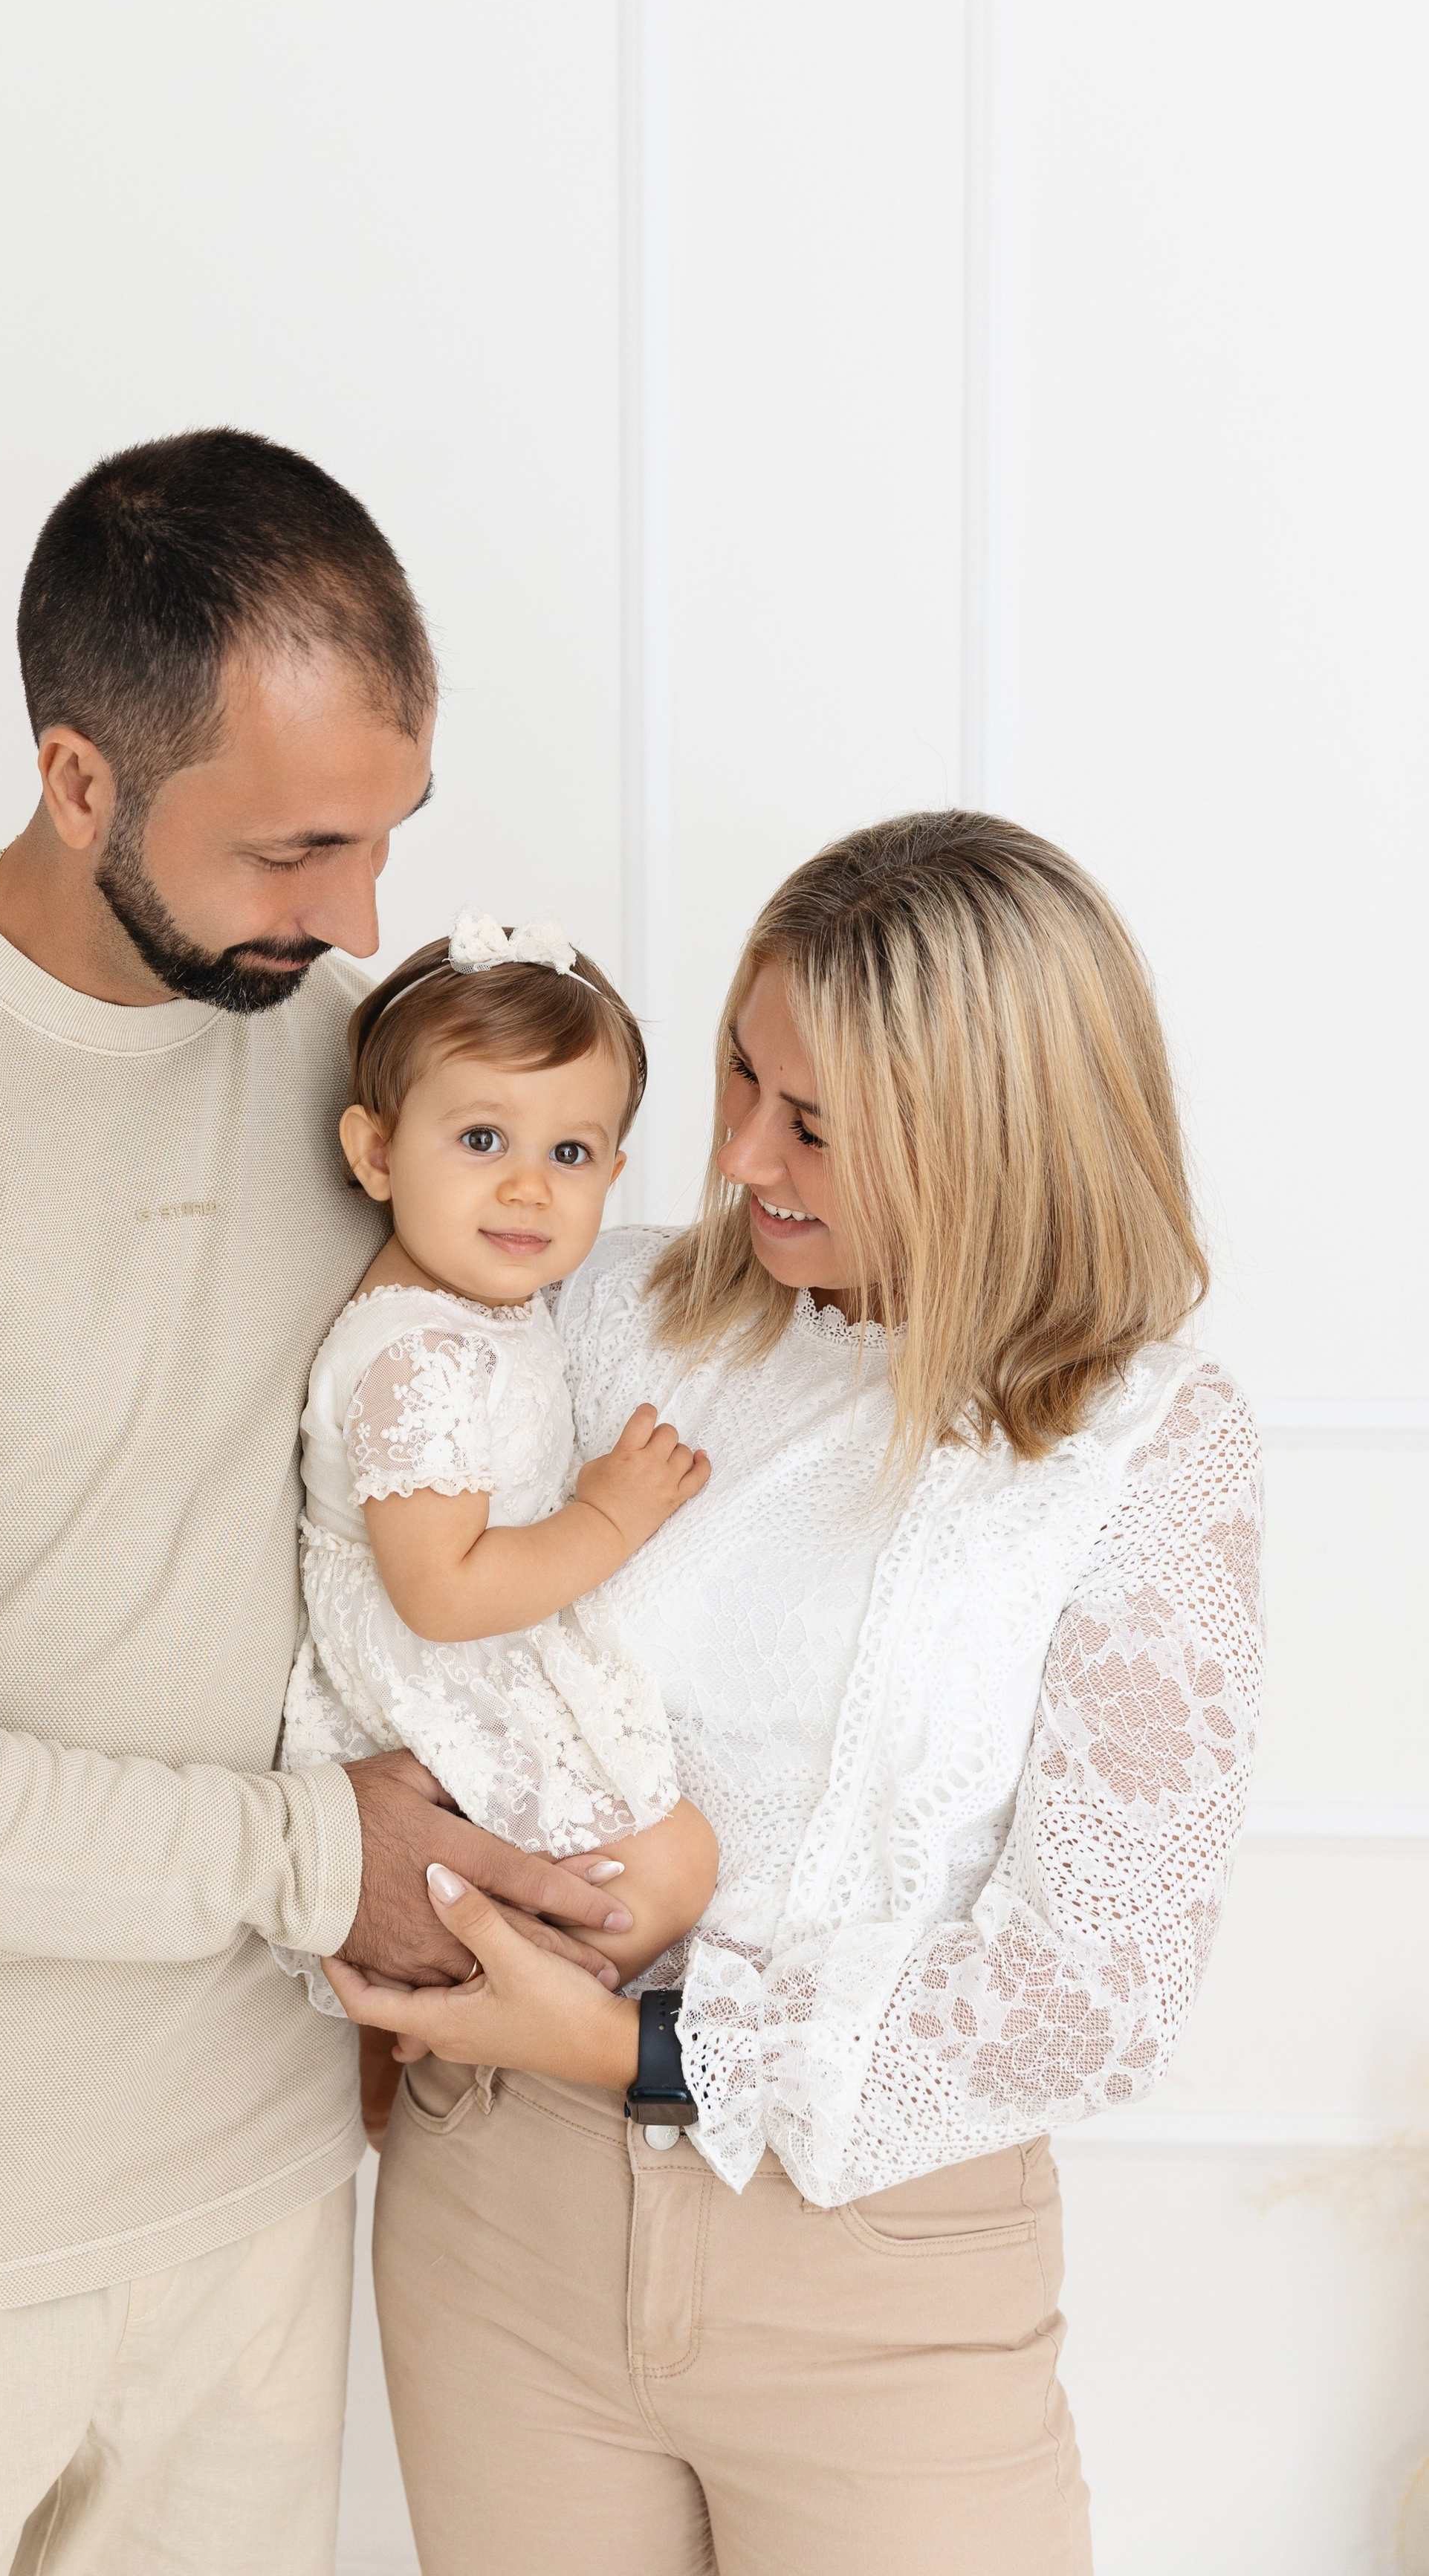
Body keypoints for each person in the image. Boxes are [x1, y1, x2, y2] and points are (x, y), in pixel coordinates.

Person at [0, 428, 631, 2576]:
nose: (360, 920)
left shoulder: (368, 1089)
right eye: (292, 851)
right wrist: (301, 1853)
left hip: (248, 2215)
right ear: (80, 779)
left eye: (389, 837)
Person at [330, 811, 1265, 2576]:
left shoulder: (1144, 1447)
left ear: (989, 1134)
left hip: (879, 2274)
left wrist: (637, 2046)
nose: (740, 1154)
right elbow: (390, 1603)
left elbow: (1101, 1986)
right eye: (738, 1083)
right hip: (500, 2219)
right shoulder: (598, 1312)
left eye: (814, 1124)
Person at [277, 913, 719, 2047]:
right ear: (375, 1153)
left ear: (612, 1173)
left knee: (669, 1861)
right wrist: (611, 1517)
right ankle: (473, 2009)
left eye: (568, 1156)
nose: (528, 1189)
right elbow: (443, 1592)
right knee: (667, 1869)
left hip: (486, 1661)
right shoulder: (417, 1355)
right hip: (438, 1679)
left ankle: (465, 2005)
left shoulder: (480, 1307)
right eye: (482, 1139)